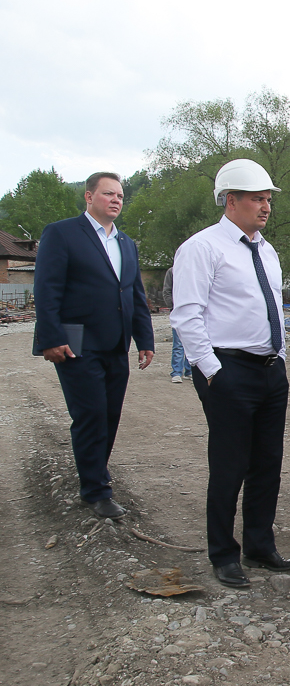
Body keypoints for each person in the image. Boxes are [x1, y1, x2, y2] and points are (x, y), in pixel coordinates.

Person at [171, 158, 290, 589]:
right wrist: (211, 370)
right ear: (230, 201)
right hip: (227, 370)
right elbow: (187, 316)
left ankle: (259, 545)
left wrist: (280, 356)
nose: (265, 207)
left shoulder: (266, 250)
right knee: (229, 464)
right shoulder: (202, 248)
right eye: (256, 199)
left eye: (267, 199)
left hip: (269, 370)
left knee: (268, 463)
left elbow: (271, 308)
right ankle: (223, 554)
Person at [33, 172, 155, 519]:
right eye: (108, 194)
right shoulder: (62, 233)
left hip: (116, 343)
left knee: (110, 415)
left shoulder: (126, 243)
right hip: (76, 342)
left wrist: (144, 338)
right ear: (89, 197)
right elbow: (47, 288)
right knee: (90, 415)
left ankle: (94, 473)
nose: (116, 199)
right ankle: (95, 490)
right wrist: (50, 337)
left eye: (119, 195)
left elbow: (134, 293)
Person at [162, 265, 192, 383]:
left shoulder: (194, 270)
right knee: (178, 343)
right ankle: (176, 372)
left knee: (191, 342)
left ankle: (189, 371)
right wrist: (173, 307)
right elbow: (167, 291)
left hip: (192, 311)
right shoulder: (172, 271)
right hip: (178, 311)